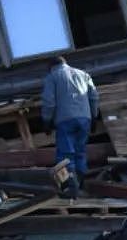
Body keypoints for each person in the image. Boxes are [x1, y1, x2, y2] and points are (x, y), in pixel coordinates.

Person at [41, 56, 98, 195]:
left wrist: (46, 121)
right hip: (85, 118)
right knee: (80, 152)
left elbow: (49, 102)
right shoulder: (83, 74)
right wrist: (94, 116)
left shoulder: (52, 77)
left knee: (65, 156)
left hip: (65, 119)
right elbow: (94, 96)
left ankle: (71, 189)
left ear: (51, 66)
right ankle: (82, 185)